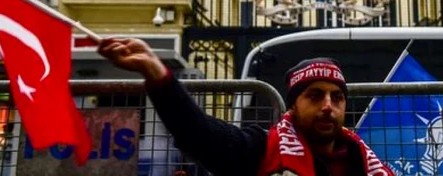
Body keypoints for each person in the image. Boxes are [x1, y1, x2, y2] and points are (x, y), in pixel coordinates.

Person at [98, 37, 394, 176]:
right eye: (315, 96)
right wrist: (157, 74)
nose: (328, 106)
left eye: (336, 97)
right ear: (293, 106)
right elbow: (198, 133)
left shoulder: (364, 161)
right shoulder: (260, 150)